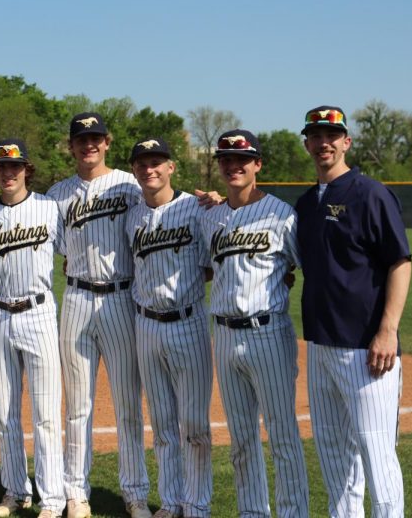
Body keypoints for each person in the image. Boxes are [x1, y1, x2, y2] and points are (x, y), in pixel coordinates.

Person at [295, 106, 410, 517]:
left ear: (346, 141)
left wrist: (388, 331)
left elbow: (400, 262)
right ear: (306, 142)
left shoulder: (370, 192)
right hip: (321, 345)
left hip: (367, 349)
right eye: (315, 134)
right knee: (334, 460)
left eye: (332, 134)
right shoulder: (307, 203)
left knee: (377, 455)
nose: (323, 142)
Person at [198, 129, 309, 518]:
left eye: (242, 159)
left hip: (267, 333)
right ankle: (252, 513)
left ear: (258, 164)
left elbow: (303, 267)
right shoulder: (210, 218)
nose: (233, 165)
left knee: (282, 435)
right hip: (225, 335)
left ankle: (293, 513)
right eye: (226, 159)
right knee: (242, 439)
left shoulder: (282, 215)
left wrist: (287, 277)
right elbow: (207, 270)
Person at [45, 113, 150, 518]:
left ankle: (135, 492)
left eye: (95, 138)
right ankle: (76, 493)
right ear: (71, 146)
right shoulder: (57, 194)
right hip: (75, 299)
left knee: (127, 401)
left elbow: (162, 207)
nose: (88, 145)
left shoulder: (129, 184)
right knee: (77, 405)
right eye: (80, 139)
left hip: (120, 298)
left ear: (107, 142)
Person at [0, 139, 66, 518]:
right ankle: (14, 490)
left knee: (46, 412)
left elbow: (72, 251)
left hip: (39, 312)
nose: (7, 173)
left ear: (27, 169)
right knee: (6, 411)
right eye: (0, 167)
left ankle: (52, 498)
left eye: (14, 166)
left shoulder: (49, 208)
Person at [124, 139, 212, 518]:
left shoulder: (196, 209)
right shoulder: (132, 215)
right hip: (146, 325)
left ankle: (197, 504)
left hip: (187, 323)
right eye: (143, 164)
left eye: (157, 162)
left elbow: (213, 263)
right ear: (134, 171)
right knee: (162, 425)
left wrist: (220, 199)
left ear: (172, 167)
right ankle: (172, 500)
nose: (150, 169)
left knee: (194, 425)